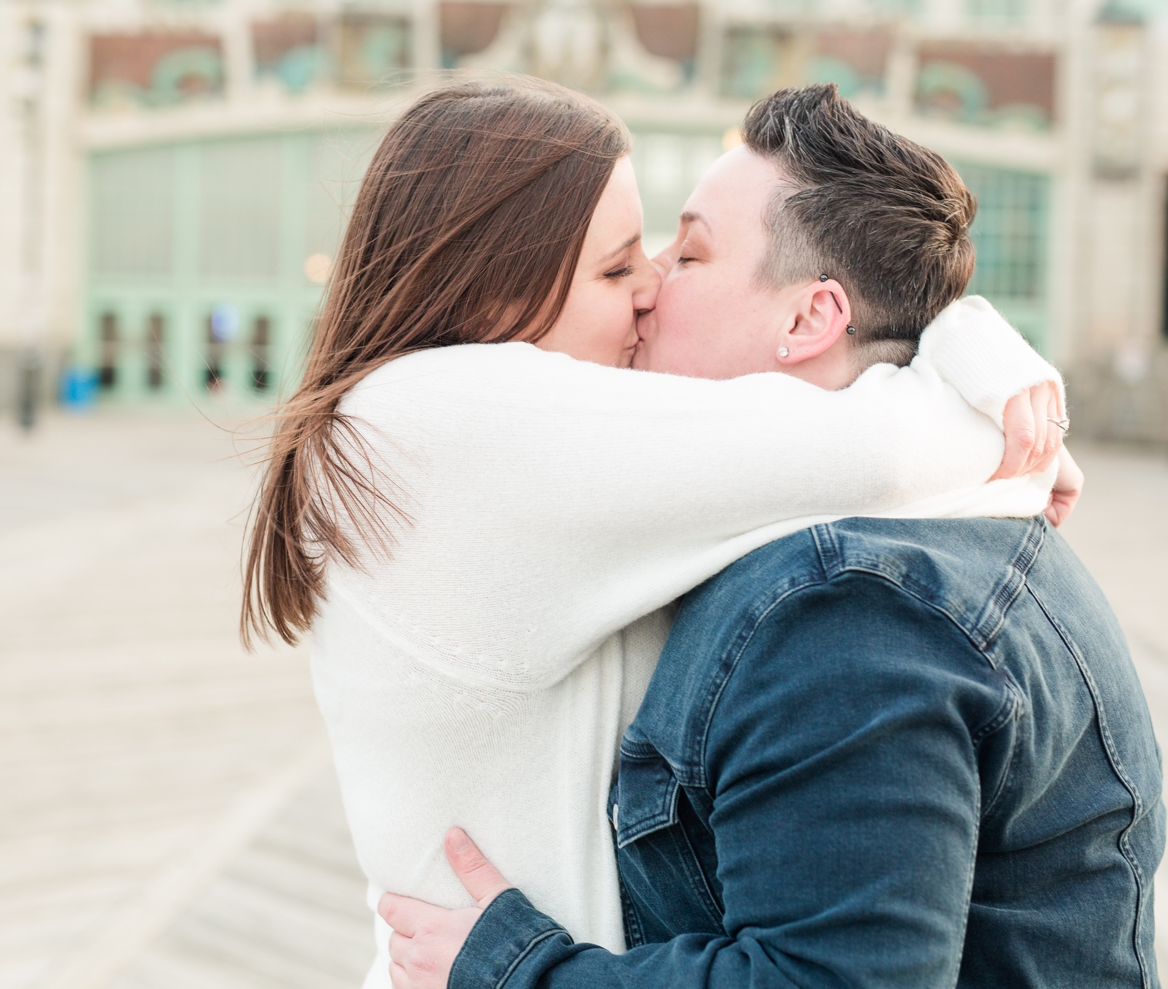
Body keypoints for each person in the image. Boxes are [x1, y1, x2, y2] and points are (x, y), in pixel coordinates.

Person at [246, 77, 1071, 989]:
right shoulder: (425, 430)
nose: (650, 290)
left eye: (659, 255)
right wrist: (1002, 403)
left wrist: (957, 334)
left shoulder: (457, 436)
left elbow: (831, 412)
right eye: (615, 269)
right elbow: (873, 448)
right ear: (488, 297)